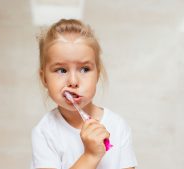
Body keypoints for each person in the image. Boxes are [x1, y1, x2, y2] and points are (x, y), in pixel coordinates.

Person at [31, 19, 137, 169]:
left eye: (84, 69)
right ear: (44, 79)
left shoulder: (118, 127)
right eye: (61, 70)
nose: (73, 81)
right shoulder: (45, 133)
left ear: (97, 75)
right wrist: (91, 155)